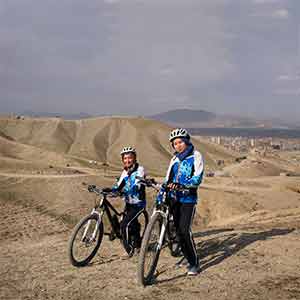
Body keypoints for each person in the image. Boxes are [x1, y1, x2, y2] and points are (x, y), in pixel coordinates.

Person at [156, 128, 204, 275]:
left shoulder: (196, 155)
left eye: (180, 142)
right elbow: (167, 179)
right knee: (177, 230)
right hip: (174, 198)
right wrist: (162, 191)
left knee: (184, 231)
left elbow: (198, 176)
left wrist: (185, 184)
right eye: (175, 143)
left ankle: (194, 263)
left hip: (188, 199)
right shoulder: (174, 159)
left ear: (186, 141)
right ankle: (178, 249)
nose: (178, 145)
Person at [103, 146, 146, 257]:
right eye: (125, 158)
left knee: (124, 224)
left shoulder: (140, 169)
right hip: (129, 203)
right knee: (133, 223)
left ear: (134, 158)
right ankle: (137, 244)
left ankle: (129, 250)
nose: (127, 160)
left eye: (130, 158)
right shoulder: (125, 172)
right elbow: (119, 185)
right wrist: (111, 190)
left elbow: (137, 184)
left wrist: (127, 191)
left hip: (138, 203)